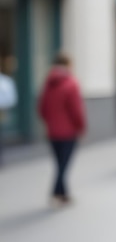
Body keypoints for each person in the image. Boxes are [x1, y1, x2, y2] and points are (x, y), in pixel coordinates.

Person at [38, 52, 86, 206]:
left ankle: (63, 194)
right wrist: (80, 126)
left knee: (60, 163)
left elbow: (42, 108)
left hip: (52, 131)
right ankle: (56, 193)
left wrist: (50, 122)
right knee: (63, 165)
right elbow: (76, 110)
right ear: (68, 65)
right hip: (68, 131)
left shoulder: (48, 83)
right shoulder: (71, 83)